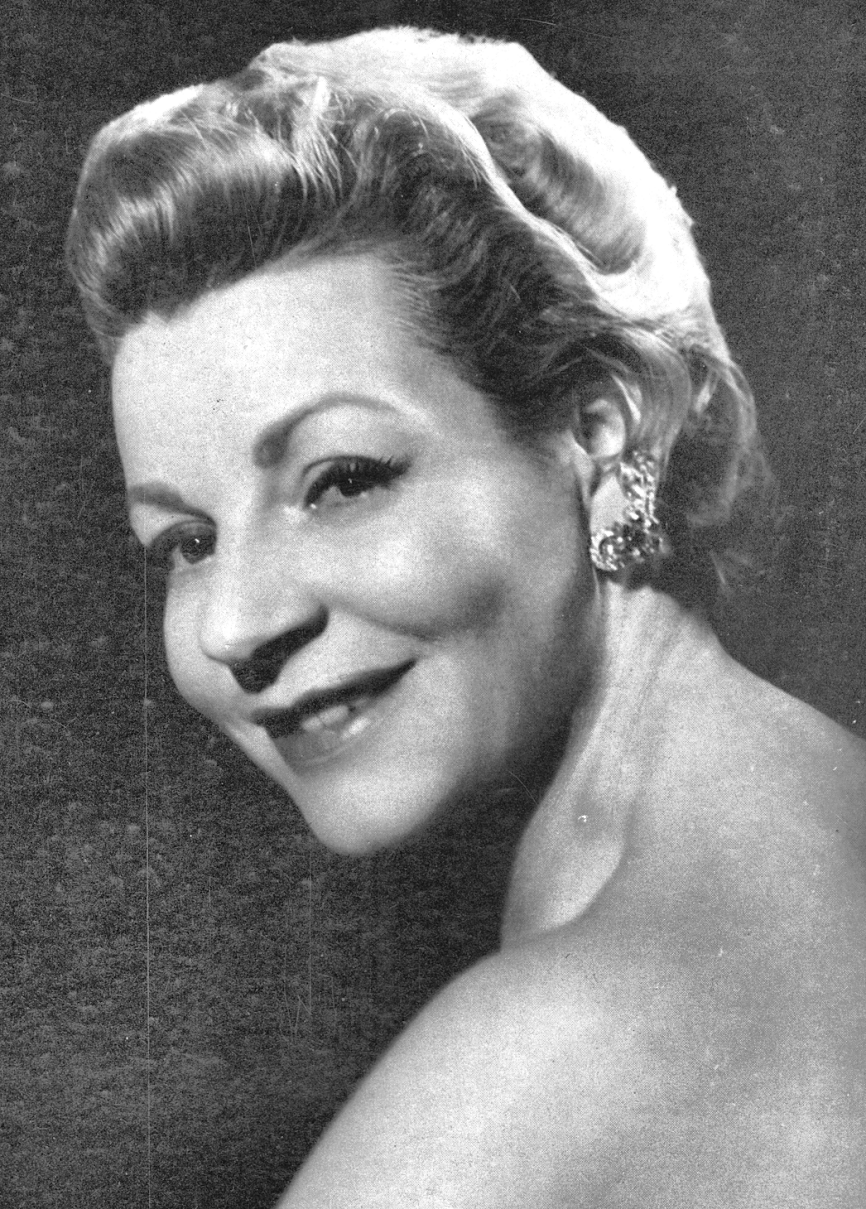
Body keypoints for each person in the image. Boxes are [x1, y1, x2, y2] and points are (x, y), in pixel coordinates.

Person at [66, 27, 866, 1207]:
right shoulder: (813, 810)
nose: (235, 625)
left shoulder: (549, 1051)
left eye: (342, 481)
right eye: (187, 542)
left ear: (599, 434)